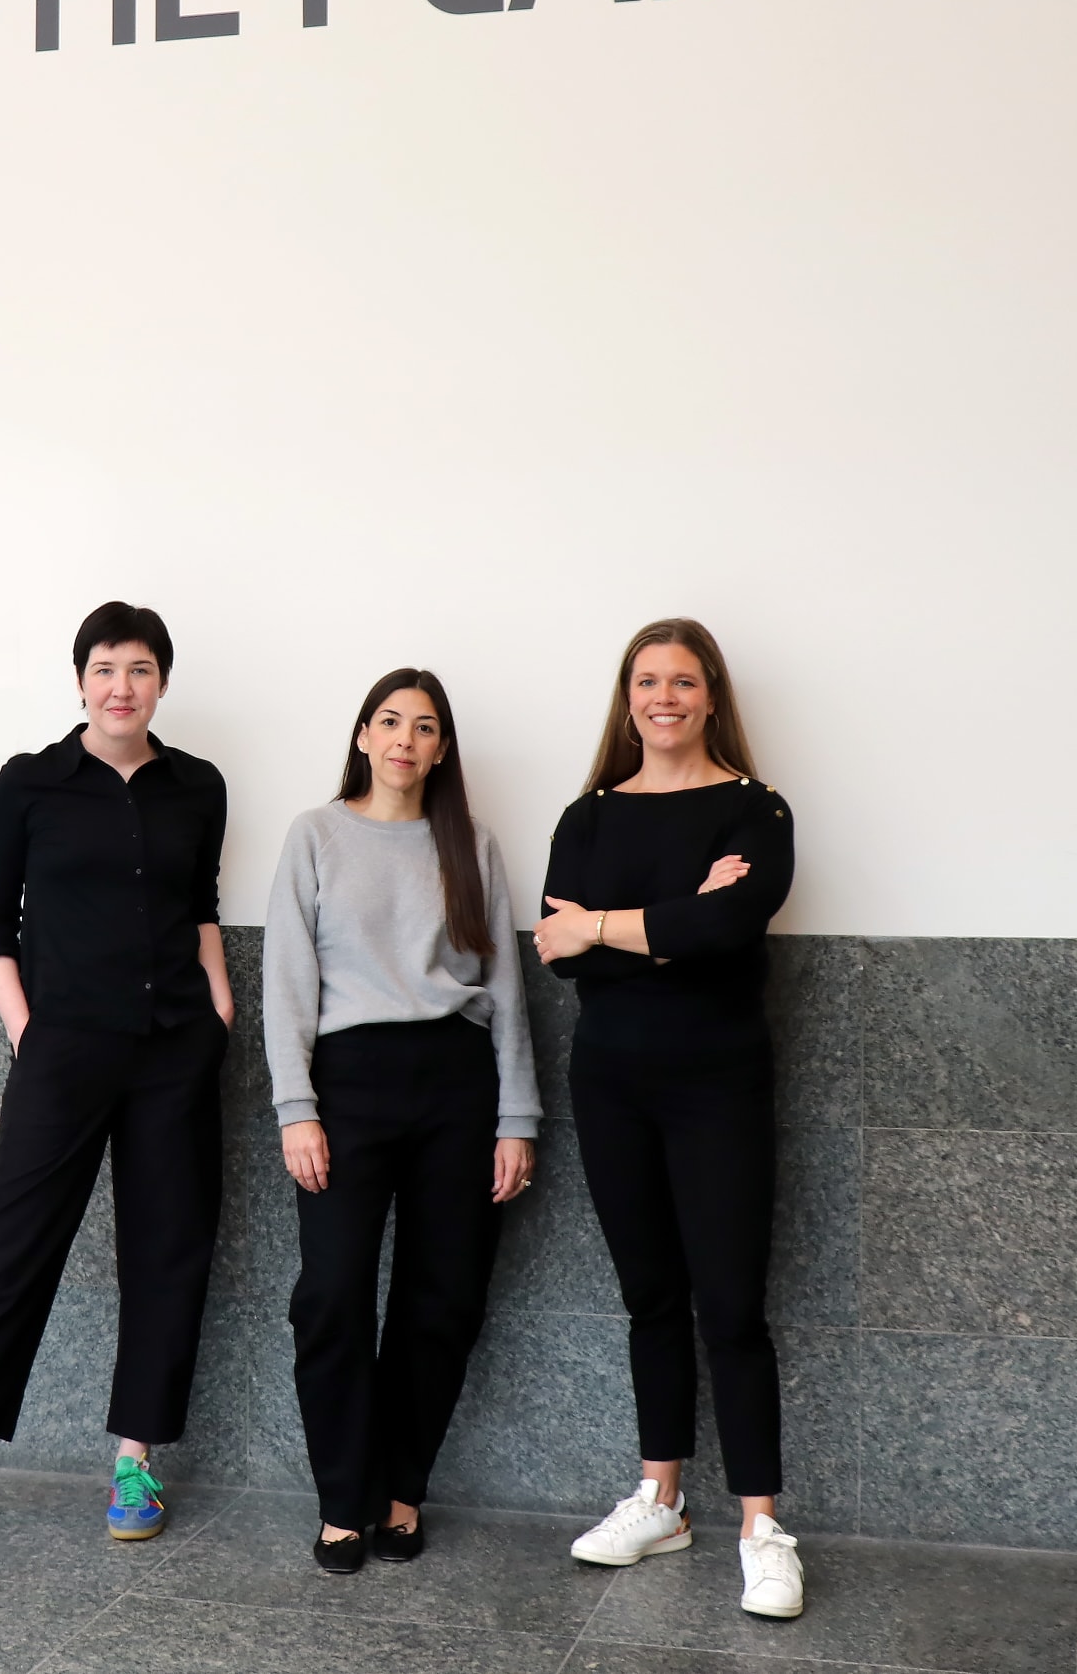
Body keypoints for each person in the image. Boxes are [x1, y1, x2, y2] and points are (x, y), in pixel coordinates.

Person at [0, 601, 234, 1564]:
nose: (122, 686)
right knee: (9, 1259)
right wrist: (30, 1030)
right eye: (105, 668)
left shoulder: (197, 786)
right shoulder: (31, 783)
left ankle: (134, 1460)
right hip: (63, 1051)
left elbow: (199, 903)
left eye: (141, 670)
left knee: (168, 1254)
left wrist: (219, 1008)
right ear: (80, 680)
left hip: (172, 1051)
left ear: (162, 682)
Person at [533, 617, 804, 1620]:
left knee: (730, 1305)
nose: (664, 697)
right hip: (611, 1082)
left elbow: (730, 927)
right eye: (647, 680)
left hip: (719, 1082)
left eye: (683, 681)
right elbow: (558, 952)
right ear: (628, 696)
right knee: (650, 1295)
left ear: (711, 696)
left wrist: (614, 925)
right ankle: (661, 1497)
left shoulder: (756, 811)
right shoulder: (589, 816)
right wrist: (672, 927)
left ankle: (763, 1526)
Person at [265, 669, 541, 1575]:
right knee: (333, 1296)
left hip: (455, 1084)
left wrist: (516, 1118)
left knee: (443, 1300)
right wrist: (296, 1108)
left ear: (441, 748)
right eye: (389, 722)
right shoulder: (314, 835)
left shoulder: (472, 845)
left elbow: (503, 991)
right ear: (361, 734)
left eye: (424, 728)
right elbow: (286, 985)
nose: (404, 741)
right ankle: (342, 1499)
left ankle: (399, 1490)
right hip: (348, 1082)